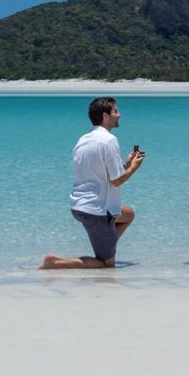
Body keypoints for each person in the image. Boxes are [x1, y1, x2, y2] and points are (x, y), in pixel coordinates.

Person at [39, 96, 145, 269]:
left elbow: (101, 172)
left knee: (128, 214)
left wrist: (125, 164)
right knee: (106, 265)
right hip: (97, 211)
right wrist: (135, 166)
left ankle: (106, 244)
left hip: (79, 206)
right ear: (105, 116)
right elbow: (117, 180)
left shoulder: (83, 140)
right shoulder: (109, 140)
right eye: (116, 111)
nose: (119, 115)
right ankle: (56, 262)